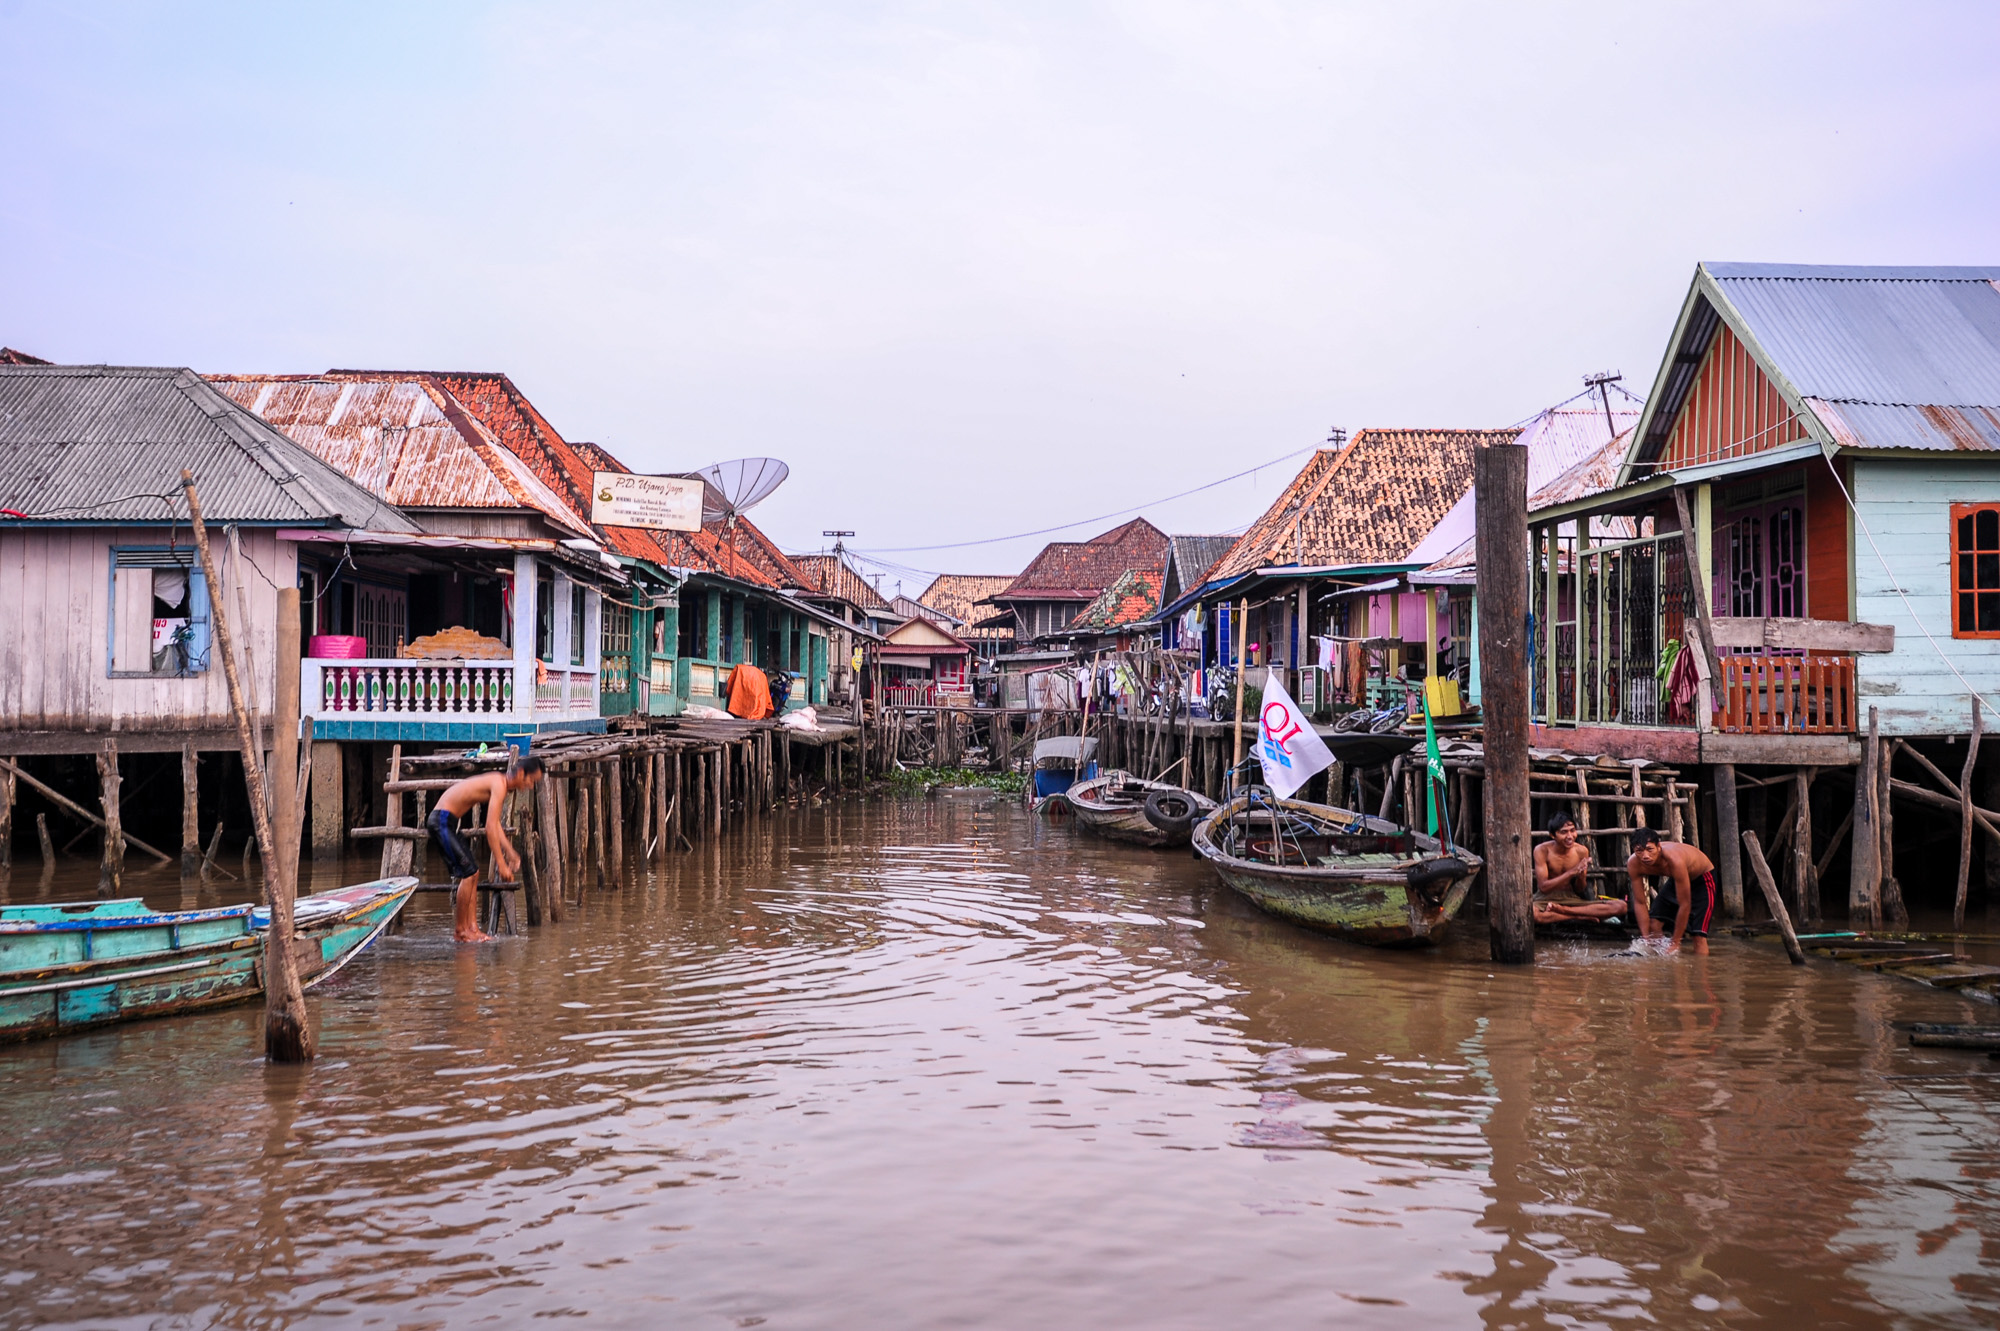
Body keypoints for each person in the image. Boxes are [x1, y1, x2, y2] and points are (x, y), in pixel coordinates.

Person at [430, 757, 545, 943]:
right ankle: (460, 931)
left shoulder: (500, 783)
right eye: (531, 781)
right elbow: (489, 827)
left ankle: (472, 928)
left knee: (473, 873)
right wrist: (501, 864)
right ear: (522, 773)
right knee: (468, 874)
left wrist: (510, 852)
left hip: (450, 823)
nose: (530, 786)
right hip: (441, 821)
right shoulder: (499, 783)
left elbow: (495, 824)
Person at [1624, 825, 1716, 955]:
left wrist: (1675, 942)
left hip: (1703, 878)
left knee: (1698, 935)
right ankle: (1660, 963)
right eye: (1639, 851)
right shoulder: (1633, 863)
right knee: (1654, 923)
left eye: (1650, 850)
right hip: (1677, 879)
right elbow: (1640, 902)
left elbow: (1685, 904)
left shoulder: (1674, 860)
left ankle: (1700, 972)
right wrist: (1646, 938)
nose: (1645, 856)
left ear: (1659, 847)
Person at [1534, 812, 1592, 898]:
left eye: (1572, 830)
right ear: (1552, 835)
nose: (1570, 836)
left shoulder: (1582, 851)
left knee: (1618, 906)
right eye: (1564, 832)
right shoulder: (1542, 850)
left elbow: (1580, 889)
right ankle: (1560, 910)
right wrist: (1572, 872)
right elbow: (1543, 887)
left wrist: (1582, 875)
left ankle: (1559, 910)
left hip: (1569, 897)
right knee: (1534, 910)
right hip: (1544, 898)